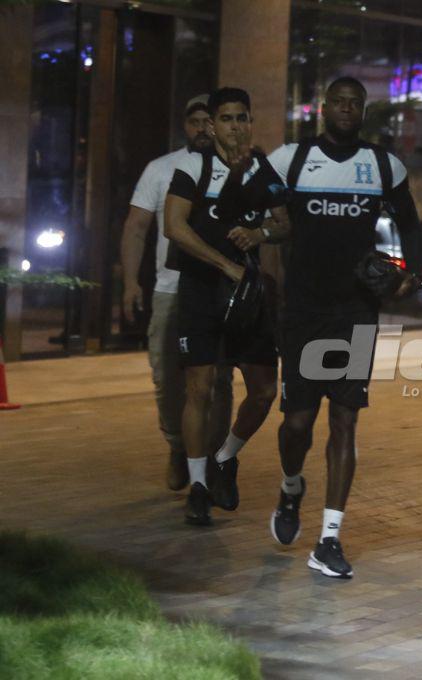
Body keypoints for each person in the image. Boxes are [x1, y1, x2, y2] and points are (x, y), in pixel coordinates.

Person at [265, 76, 422, 579]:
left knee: (346, 420)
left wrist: (407, 275)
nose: (347, 110)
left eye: (356, 104)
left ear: (363, 111)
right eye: (339, 102)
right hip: (304, 311)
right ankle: (292, 487)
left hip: (355, 312)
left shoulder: (382, 165)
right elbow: (254, 201)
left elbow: (411, 225)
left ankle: (329, 538)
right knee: (296, 424)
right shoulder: (290, 160)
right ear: (324, 107)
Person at [164, 87, 292, 526]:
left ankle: (225, 457)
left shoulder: (262, 168)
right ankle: (198, 487)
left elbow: (284, 222)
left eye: (242, 118)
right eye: (226, 118)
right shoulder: (193, 167)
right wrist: (224, 264)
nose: (235, 126)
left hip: (248, 297)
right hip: (202, 291)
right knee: (199, 389)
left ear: (250, 122)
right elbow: (174, 227)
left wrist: (259, 236)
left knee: (263, 391)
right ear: (211, 124)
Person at [120, 95, 233, 491]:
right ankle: (177, 446)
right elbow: (136, 227)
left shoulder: (234, 168)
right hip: (170, 290)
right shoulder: (162, 169)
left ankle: (215, 460)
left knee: (218, 381)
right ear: (184, 126)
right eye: (195, 121)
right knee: (167, 378)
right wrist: (131, 283)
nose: (202, 128)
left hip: (222, 291)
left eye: (209, 120)